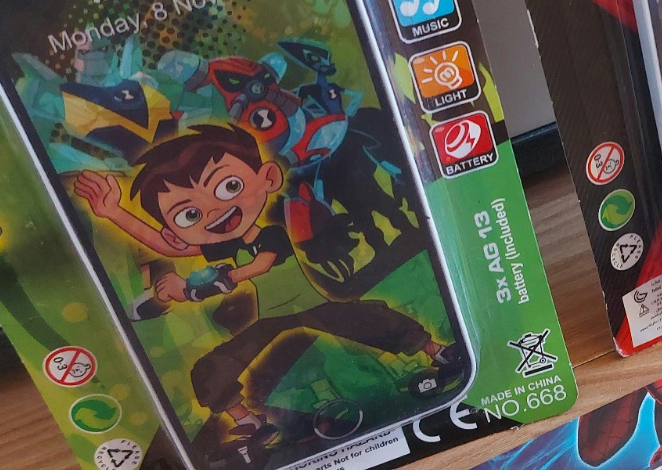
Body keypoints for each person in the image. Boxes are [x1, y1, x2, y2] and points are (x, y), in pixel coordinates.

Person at [75, 124, 461, 436]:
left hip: (312, 306)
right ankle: (249, 422)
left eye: (229, 187)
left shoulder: (270, 235)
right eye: (189, 215)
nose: (214, 211)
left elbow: (259, 266)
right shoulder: (225, 243)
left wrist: (193, 288)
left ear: (268, 178)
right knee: (210, 368)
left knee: (372, 319)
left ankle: (436, 351)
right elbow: (169, 246)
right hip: (272, 317)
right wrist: (114, 213)